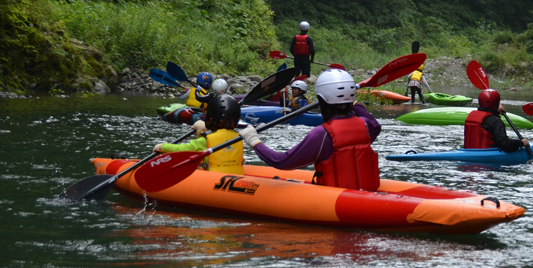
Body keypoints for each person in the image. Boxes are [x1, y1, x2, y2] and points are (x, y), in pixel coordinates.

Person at [239, 68, 382, 191]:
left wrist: (254, 141)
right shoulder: (366, 126)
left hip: (333, 199)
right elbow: (374, 123)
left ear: (321, 100)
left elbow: (281, 162)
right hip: (363, 192)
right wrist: (351, 100)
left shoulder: (322, 134)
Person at [153, 94, 244, 174]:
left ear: (210, 119)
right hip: (235, 175)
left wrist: (162, 147)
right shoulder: (237, 137)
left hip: (213, 178)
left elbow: (182, 149)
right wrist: (202, 132)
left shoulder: (205, 140)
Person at [463, 89, 530, 152]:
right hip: (487, 157)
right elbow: (505, 145)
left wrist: (495, 110)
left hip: (468, 151)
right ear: (497, 103)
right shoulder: (495, 121)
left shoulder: (473, 116)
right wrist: (521, 143)